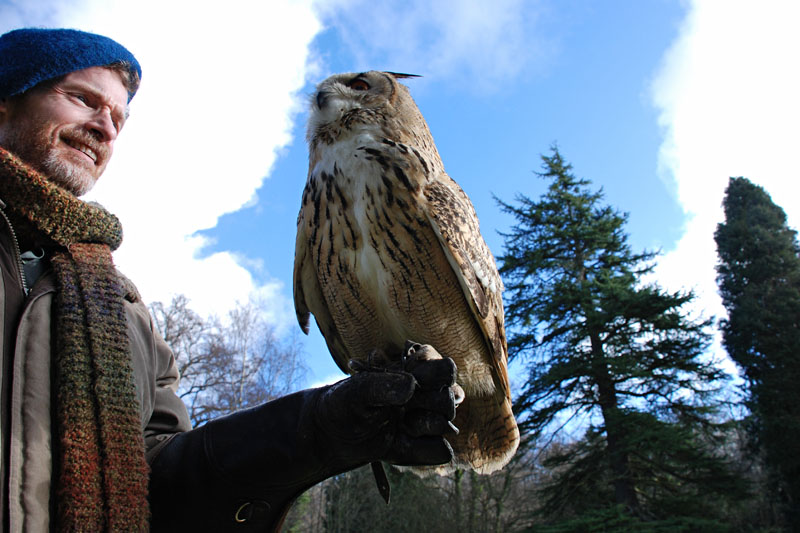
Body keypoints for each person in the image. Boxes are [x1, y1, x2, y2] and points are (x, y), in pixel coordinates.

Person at [0, 28, 459, 531]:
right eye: (82, 99)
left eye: (118, 119)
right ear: (7, 101)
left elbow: (163, 482)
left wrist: (313, 432)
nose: (105, 128)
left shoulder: (124, 314)